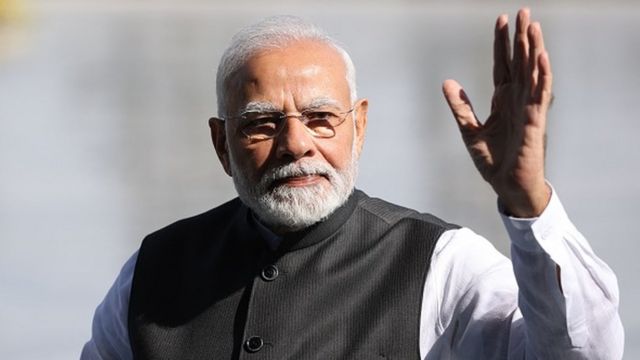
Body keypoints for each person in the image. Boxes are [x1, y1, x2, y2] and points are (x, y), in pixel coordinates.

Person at [81, 8, 624, 359]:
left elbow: (583, 354)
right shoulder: (154, 274)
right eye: (263, 124)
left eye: (321, 118)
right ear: (222, 144)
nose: (297, 145)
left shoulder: (438, 264)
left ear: (358, 127)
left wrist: (528, 202)